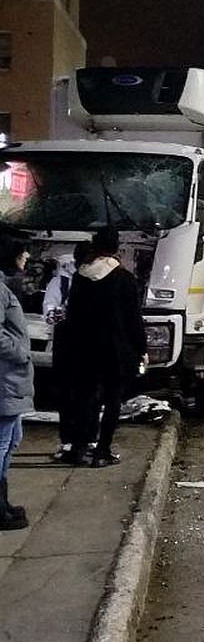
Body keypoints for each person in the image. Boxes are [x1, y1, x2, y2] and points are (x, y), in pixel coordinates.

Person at [64, 227, 145, 468]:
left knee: (85, 397)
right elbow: (133, 319)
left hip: (85, 348)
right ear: (116, 248)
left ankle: (78, 448)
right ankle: (102, 451)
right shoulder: (124, 279)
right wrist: (141, 348)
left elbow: (73, 315)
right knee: (112, 400)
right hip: (115, 350)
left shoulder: (81, 276)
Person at [45, 241, 93, 463]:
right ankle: (68, 441)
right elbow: (50, 314)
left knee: (91, 395)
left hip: (90, 346)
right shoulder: (61, 282)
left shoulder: (98, 280)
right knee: (67, 394)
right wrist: (72, 313)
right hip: (67, 346)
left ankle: (89, 440)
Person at [0, 234, 34, 530]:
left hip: (12, 380)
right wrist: (22, 352)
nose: (27, 258)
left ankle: (3, 503)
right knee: (2, 443)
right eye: (23, 253)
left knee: (12, 440)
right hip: (5, 379)